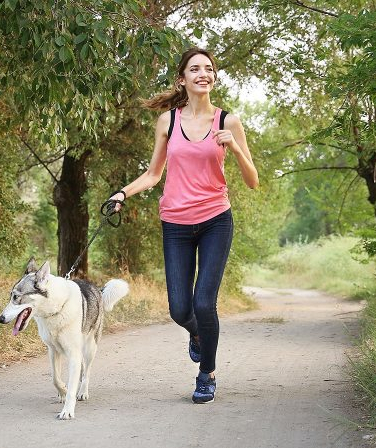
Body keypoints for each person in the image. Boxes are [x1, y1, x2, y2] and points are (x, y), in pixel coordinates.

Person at [109, 47, 259, 404]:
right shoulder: (168, 122)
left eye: (208, 68)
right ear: (182, 78)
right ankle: (197, 335)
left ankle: (206, 374)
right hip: (175, 223)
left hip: (215, 220)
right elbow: (153, 173)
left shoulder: (228, 121)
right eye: (195, 69)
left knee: (204, 303)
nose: (203, 74)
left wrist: (235, 148)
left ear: (214, 77)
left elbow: (253, 181)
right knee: (180, 309)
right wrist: (121, 194)